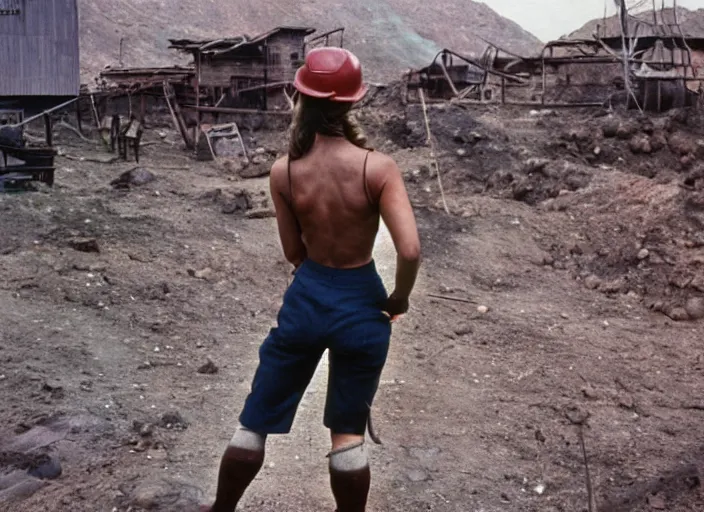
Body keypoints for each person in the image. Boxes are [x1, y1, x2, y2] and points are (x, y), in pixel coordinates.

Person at [201, 47, 421, 512]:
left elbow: (292, 253)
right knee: (347, 432)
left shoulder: (285, 171)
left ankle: (221, 510)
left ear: (300, 95)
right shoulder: (377, 168)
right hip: (362, 300)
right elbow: (409, 249)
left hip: (308, 295)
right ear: (352, 102)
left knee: (254, 421)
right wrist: (398, 298)